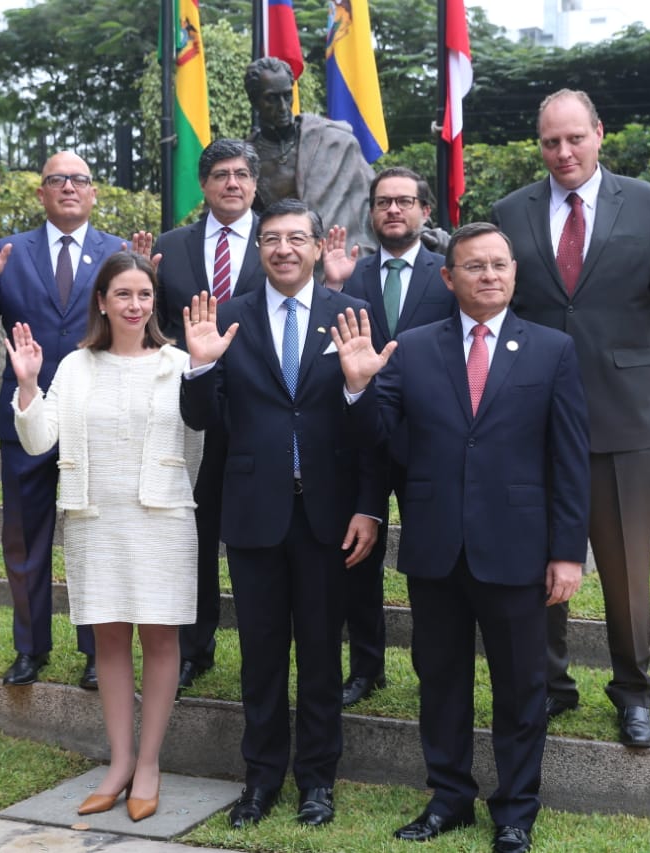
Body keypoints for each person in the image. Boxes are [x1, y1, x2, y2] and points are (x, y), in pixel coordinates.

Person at [334, 222, 591, 853]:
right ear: (448, 279)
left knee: (521, 687)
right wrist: (359, 386)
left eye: (499, 264)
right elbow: (378, 440)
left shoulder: (551, 350)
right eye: (473, 267)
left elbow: (570, 458)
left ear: (514, 272)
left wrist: (566, 552)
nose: (489, 276)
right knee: (441, 679)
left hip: (518, 549)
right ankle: (449, 797)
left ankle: (515, 811)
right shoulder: (415, 347)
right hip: (436, 547)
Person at [491, 89, 650, 748]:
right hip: (531, 422)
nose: (563, 152)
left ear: (599, 134)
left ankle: (632, 690)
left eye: (574, 138)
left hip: (623, 424)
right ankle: (549, 685)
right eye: (550, 142)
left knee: (625, 572)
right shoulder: (511, 212)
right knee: (538, 566)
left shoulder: (649, 204)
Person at [180, 198, 383, 830]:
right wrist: (202, 366)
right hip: (254, 512)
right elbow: (201, 419)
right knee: (262, 657)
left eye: (298, 238)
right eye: (271, 239)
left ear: (321, 247)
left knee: (321, 656)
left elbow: (375, 430)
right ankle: (261, 781)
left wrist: (369, 506)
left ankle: (317, 783)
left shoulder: (352, 316)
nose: (284, 249)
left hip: (328, 517)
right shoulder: (228, 318)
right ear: (258, 249)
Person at [8, 252, 202, 823]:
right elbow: (40, 441)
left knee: (161, 641)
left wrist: (168, 486)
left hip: (162, 519)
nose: (135, 305)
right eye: (123, 294)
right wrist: (26, 387)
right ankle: (118, 764)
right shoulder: (75, 366)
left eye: (144, 294)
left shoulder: (178, 362)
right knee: (110, 642)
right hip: (96, 520)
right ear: (102, 301)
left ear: (153, 301)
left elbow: (198, 446)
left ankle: (148, 764)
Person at [0, 151, 126, 689]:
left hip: (93, 418)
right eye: (57, 180)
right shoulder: (12, 252)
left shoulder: (116, 254)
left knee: (93, 538)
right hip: (25, 414)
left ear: (94, 193)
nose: (69, 188)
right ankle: (30, 648)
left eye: (79, 180)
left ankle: (99, 650)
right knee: (25, 540)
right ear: (42, 194)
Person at [322, 166, 457, 707]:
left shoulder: (448, 273)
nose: (393, 211)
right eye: (382, 203)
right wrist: (331, 287)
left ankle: (435, 666)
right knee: (359, 558)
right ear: (371, 213)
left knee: (432, 562)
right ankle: (367, 667)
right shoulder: (347, 274)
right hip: (363, 437)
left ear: (426, 212)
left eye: (404, 201)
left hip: (431, 440)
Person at [154, 139, 266, 694]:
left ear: (254, 183)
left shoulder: (280, 240)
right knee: (193, 532)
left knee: (253, 531)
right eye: (220, 174)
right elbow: (154, 328)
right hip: (190, 407)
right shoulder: (171, 247)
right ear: (204, 184)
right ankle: (196, 646)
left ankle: (262, 644)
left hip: (258, 406)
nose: (231, 183)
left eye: (242, 174)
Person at [244, 56, 376, 253]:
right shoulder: (244, 159)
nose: (283, 107)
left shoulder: (335, 142)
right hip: (279, 260)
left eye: (287, 96)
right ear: (254, 101)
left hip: (338, 255)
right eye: (272, 99)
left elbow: (378, 198)